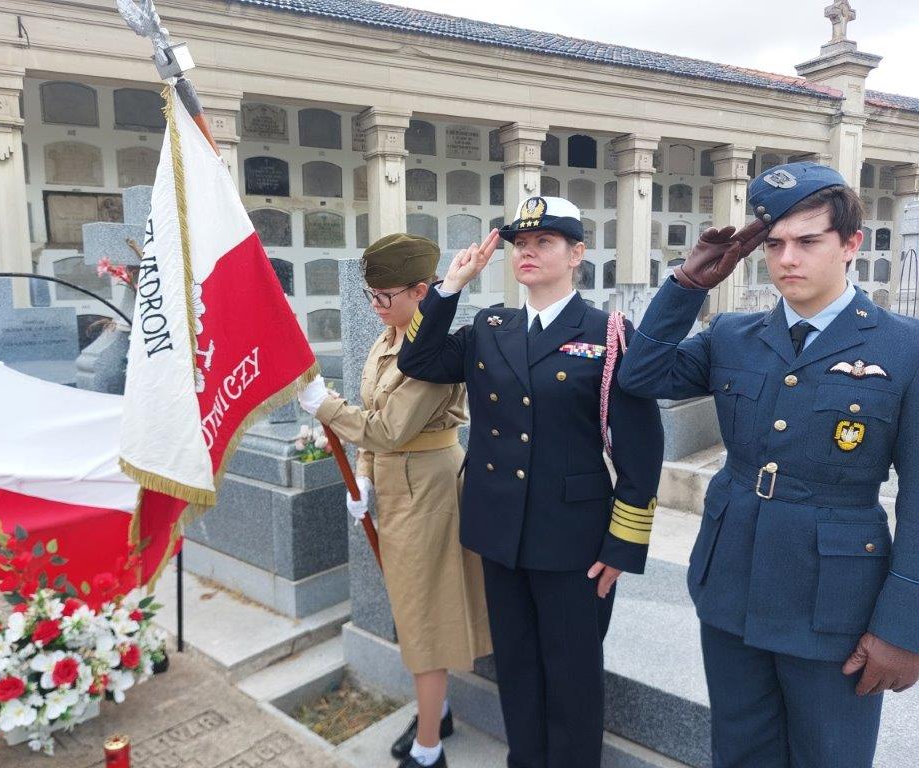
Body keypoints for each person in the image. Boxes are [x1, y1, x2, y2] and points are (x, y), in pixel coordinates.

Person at [618, 161, 919, 767]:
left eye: (808, 241)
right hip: (731, 583)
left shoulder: (903, 346)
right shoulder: (733, 334)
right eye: (774, 244)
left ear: (851, 244)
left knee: (829, 756)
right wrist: (686, 285)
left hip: (835, 603)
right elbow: (640, 375)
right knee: (739, 751)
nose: (787, 259)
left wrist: (903, 627)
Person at [397, 197, 664, 768]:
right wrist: (451, 286)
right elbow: (417, 361)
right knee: (516, 668)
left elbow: (641, 450)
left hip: (574, 540)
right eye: (520, 244)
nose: (528, 252)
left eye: (545, 242)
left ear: (577, 254)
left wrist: (623, 543)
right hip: (499, 531)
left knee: (572, 676)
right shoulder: (491, 326)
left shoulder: (609, 333)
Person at [298, 233, 492, 768]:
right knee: (412, 608)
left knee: (423, 616)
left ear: (421, 292)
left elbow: (387, 429)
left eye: (385, 296)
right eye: (372, 295)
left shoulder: (432, 354)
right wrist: (363, 478)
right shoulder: (388, 338)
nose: (376, 306)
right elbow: (373, 418)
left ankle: (430, 748)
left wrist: (324, 406)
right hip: (396, 481)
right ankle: (437, 711)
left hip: (428, 489)